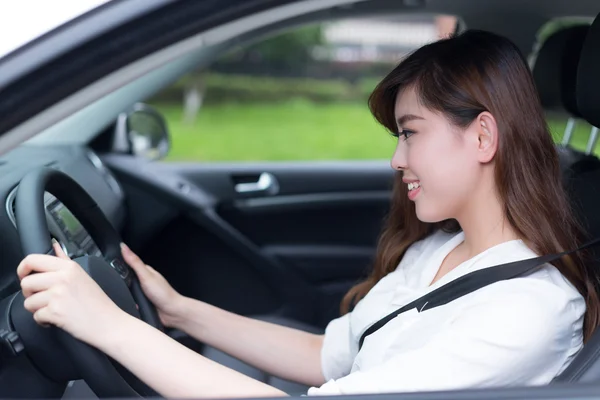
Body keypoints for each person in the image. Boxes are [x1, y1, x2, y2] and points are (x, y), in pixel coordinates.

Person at [15, 29, 600, 398]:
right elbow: (328, 357)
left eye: (410, 133)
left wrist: (107, 324)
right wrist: (178, 310)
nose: (396, 160)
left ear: (482, 137)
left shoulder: (527, 311)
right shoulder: (440, 249)